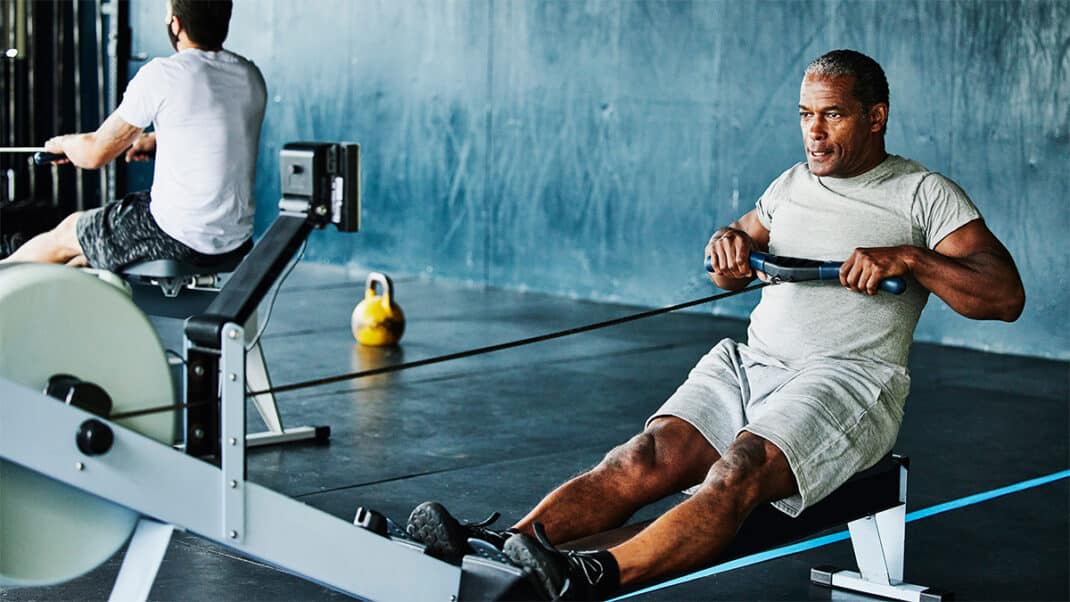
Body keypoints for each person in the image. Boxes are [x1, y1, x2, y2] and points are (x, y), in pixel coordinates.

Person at [404, 49, 1026, 600]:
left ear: (875, 116)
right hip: (752, 365)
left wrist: (911, 257)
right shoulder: (789, 184)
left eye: (831, 114)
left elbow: (1004, 297)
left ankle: (591, 576)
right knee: (641, 458)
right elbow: (728, 264)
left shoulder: (923, 193)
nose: (813, 130)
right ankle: (499, 549)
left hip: (846, 380)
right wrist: (727, 245)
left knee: (737, 470)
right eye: (805, 114)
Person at [1, 0, 265, 271]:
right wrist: (154, 142)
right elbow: (217, 132)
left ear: (175, 24)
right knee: (81, 257)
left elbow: (94, 153)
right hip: (235, 239)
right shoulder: (249, 75)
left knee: (68, 232)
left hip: (176, 236)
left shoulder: (165, 74)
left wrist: (65, 144)